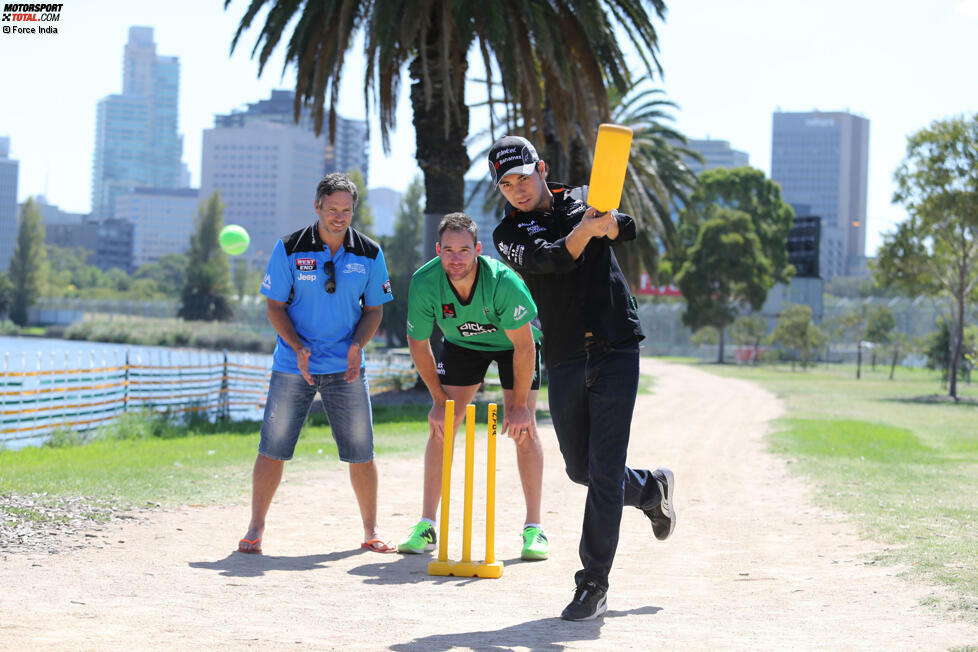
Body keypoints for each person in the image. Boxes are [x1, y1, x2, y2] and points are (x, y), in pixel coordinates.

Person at [487, 135, 676, 620]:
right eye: (506, 184)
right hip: (567, 355)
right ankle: (651, 490)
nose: (517, 189)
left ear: (542, 168)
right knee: (582, 471)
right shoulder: (507, 234)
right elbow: (553, 258)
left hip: (616, 346)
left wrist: (608, 222)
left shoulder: (586, 201)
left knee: (605, 470)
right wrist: (589, 232)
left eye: (523, 177)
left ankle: (593, 583)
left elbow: (627, 228)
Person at [237, 172, 396, 555]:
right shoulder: (289, 248)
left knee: (362, 451)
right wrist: (296, 346)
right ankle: (255, 529)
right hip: (294, 366)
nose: (339, 217)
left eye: (346, 210)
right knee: (272, 447)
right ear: (317, 206)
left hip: (347, 367)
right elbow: (274, 307)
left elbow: (374, 310)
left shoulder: (370, 253)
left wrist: (358, 345)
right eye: (332, 209)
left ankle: (371, 531)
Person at [397, 212, 549, 561]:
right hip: (462, 342)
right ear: (437, 250)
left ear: (478, 250)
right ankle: (426, 525)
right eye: (448, 250)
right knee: (443, 425)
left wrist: (520, 405)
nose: (455, 258)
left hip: (515, 346)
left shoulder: (502, 282)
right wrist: (438, 400)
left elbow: (525, 347)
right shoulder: (425, 282)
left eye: (464, 250)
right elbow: (419, 344)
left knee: (523, 428)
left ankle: (534, 528)